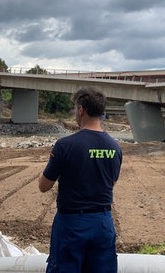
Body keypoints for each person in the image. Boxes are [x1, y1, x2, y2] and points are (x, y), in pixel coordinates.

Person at [38, 87, 123, 273]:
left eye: (75, 109)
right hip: (103, 223)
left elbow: (44, 186)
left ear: (81, 110)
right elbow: (111, 182)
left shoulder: (65, 145)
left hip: (71, 223)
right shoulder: (115, 147)